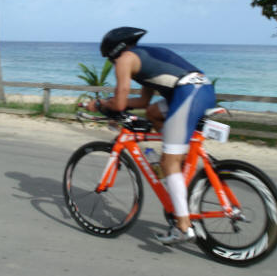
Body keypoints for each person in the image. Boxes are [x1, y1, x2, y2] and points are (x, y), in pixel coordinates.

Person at [86, 27, 216, 245]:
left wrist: (99, 104)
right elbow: (142, 103)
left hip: (188, 94)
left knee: (168, 162)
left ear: (112, 52)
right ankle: (178, 165)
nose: (111, 62)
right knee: (153, 113)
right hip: (201, 90)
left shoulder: (124, 61)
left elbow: (119, 103)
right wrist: (113, 102)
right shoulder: (143, 57)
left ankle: (183, 226)